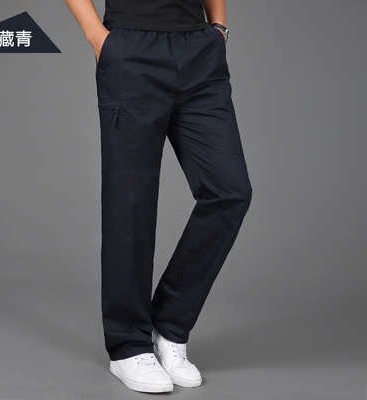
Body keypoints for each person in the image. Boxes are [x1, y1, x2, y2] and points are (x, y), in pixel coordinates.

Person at [64, 0, 252, 393]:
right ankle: (128, 345)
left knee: (230, 191)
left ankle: (169, 325)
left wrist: (218, 28)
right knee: (130, 203)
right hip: (132, 49)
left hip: (199, 50)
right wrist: (97, 36)